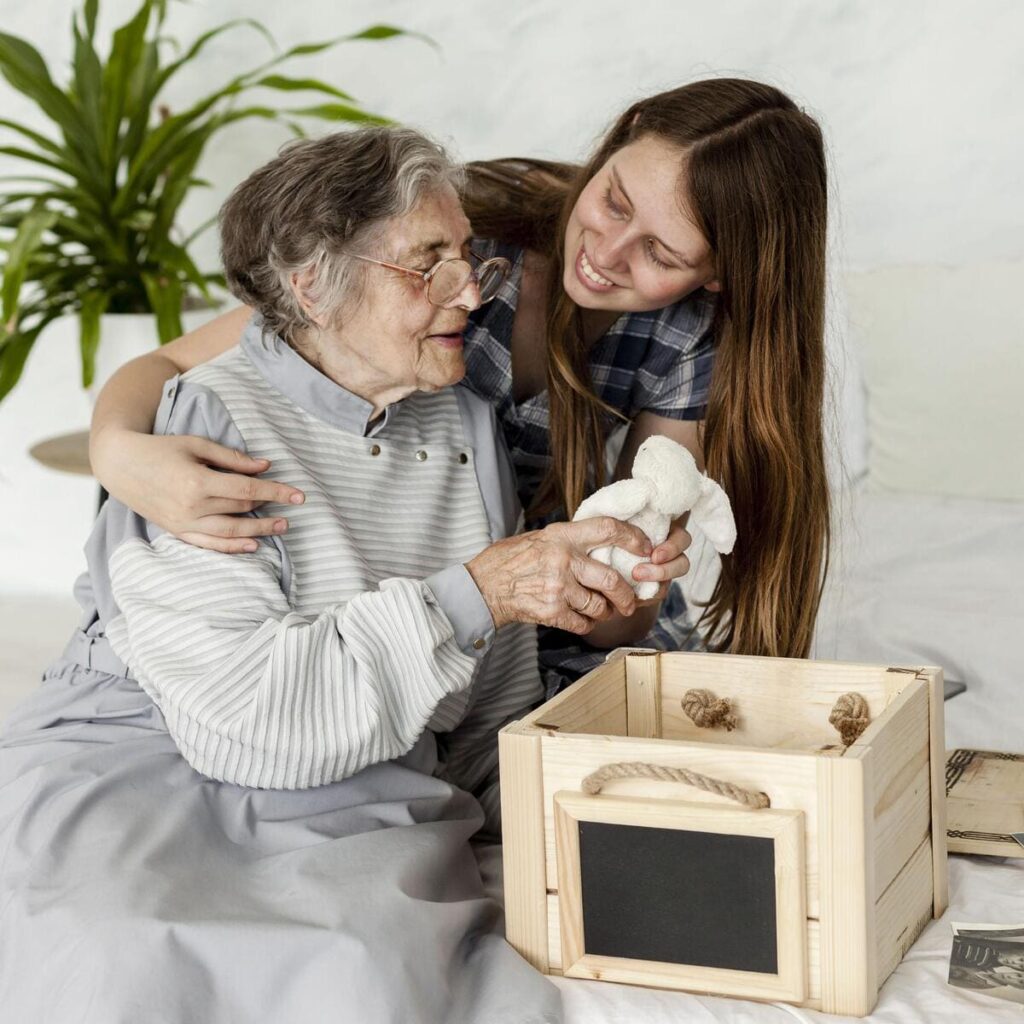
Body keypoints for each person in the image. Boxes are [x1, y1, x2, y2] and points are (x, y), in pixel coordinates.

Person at [0, 126, 666, 1022]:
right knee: (116, 950)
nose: (472, 290)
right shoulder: (210, 423)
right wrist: (480, 590)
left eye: (470, 258)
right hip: (152, 749)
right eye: (427, 263)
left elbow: (487, 703)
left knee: (370, 973)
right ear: (312, 284)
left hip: (365, 776)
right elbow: (244, 726)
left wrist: (595, 797)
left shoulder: (462, 424)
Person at [89, 77, 831, 693]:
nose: (604, 253)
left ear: (721, 273)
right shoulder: (463, 238)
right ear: (622, 135)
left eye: (660, 252)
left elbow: (619, 622)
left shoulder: (689, 339)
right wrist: (118, 454)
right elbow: (180, 364)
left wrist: (622, 579)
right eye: (613, 202)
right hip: (394, 589)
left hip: (535, 622)